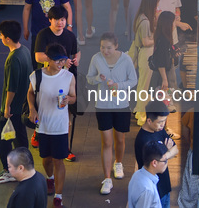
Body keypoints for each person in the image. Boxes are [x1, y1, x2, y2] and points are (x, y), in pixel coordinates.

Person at [86, 32, 137, 194]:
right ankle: (107, 179)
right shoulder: (96, 58)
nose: (105, 50)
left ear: (116, 46)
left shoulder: (126, 59)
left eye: (108, 47)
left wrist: (118, 85)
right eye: (102, 47)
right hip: (102, 105)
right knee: (107, 142)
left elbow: (133, 80)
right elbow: (89, 78)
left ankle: (119, 163)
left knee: (120, 140)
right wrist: (97, 80)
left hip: (122, 105)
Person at [27, 43, 76, 208]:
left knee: (58, 161)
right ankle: (50, 178)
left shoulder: (68, 77)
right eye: (57, 61)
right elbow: (30, 92)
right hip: (43, 125)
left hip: (60, 126)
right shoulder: (37, 76)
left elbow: (74, 97)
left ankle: (58, 196)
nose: (60, 64)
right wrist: (32, 108)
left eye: (62, 60)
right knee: (46, 159)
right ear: (48, 59)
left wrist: (68, 100)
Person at [34, 5, 80, 161]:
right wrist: (58, 60)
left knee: (65, 113)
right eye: (57, 20)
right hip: (47, 77)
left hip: (66, 78)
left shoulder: (70, 36)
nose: (60, 23)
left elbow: (76, 51)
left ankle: (65, 149)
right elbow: (38, 57)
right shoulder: (43, 35)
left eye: (63, 19)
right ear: (50, 20)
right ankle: (38, 132)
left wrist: (75, 60)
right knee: (44, 110)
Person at [0, 21, 33, 184]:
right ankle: (26, 168)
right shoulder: (24, 50)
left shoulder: (12, 59)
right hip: (22, 104)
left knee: (0, 138)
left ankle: (8, 170)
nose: (0, 37)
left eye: (1, 35)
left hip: (13, 107)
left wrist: (7, 107)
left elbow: (11, 87)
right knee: (20, 138)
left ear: (7, 39)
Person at [22, 0, 73, 69]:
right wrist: (25, 28)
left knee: (59, 61)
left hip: (56, 32)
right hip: (37, 31)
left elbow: (68, 8)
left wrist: (69, 25)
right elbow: (27, 9)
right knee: (37, 62)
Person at [134, 101, 179, 208]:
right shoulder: (144, 140)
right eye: (160, 122)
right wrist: (167, 152)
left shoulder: (159, 129)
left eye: (164, 121)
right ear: (149, 120)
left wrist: (164, 156)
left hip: (164, 187)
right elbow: (158, 167)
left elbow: (175, 149)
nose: (163, 125)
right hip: (153, 192)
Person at [132, 0, 160, 125]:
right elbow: (146, 42)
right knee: (145, 86)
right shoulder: (145, 21)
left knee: (142, 85)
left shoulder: (142, 17)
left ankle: (139, 110)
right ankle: (142, 115)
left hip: (144, 54)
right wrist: (159, 38)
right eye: (156, 4)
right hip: (146, 54)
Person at [128, 140, 169, 208]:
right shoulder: (147, 191)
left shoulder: (137, 175)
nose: (166, 163)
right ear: (154, 163)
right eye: (165, 161)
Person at [178, 109, 198, 208]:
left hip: (195, 152)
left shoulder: (192, 111)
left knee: (190, 187)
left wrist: (191, 142)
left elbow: (185, 130)